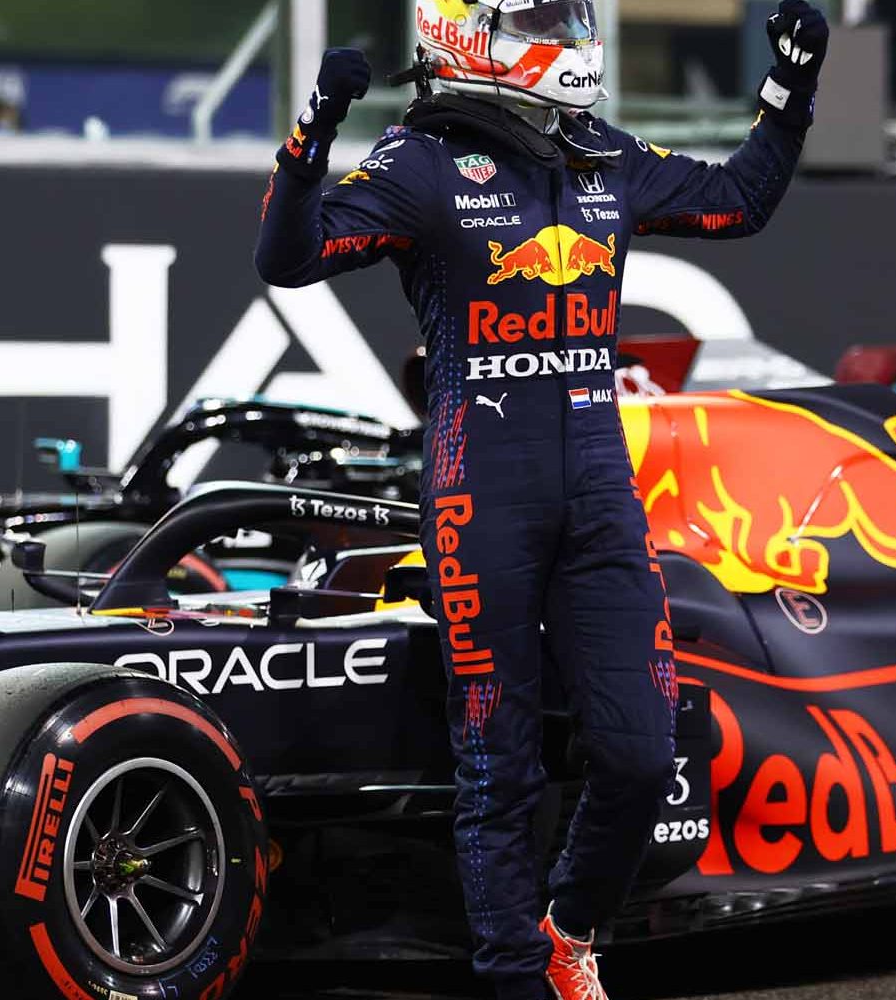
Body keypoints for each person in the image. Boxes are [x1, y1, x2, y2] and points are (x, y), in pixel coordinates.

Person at [254, 1, 826, 996]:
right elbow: (287, 259)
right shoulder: (417, 162)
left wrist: (792, 88)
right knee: (499, 771)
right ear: (471, 35)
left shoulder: (599, 152)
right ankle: (517, 980)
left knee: (643, 753)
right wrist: (311, 135)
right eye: (540, 16)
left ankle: (570, 928)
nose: (571, 33)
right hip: (483, 499)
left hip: (602, 495)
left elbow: (740, 201)